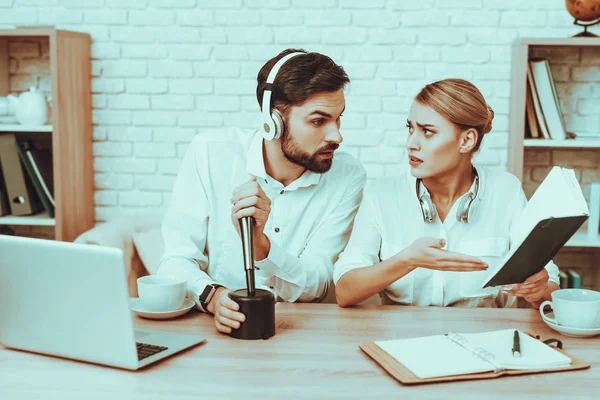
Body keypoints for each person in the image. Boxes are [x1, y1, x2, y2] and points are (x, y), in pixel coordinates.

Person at [157, 49, 366, 333]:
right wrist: (213, 297)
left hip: (304, 334)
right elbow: (176, 260)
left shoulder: (348, 176)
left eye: (338, 118)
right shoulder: (209, 153)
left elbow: (318, 284)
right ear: (273, 122)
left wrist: (262, 248)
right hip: (214, 334)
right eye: (318, 121)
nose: (336, 136)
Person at [333, 78, 559, 309]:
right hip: (403, 339)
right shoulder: (381, 196)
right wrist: (407, 260)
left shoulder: (506, 192)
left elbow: (550, 287)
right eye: (411, 128)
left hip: (485, 338)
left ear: (466, 140)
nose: (411, 143)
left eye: (427, 131)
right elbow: (345, 291)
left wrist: (539, 290)